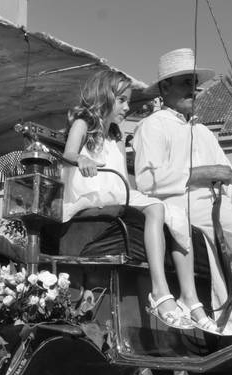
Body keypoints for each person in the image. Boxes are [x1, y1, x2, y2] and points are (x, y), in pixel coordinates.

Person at [61, 69, 217, 333]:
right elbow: (68, 153)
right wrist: (82, 159)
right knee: (156, 208)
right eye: (121, 100)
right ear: (104, 97)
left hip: (115, 190)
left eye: (127, 101)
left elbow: (122, 174)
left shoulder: (116, 134)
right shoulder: (82, 123)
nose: (126, 107)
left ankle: (190, 298)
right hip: (89, 194)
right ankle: (160, 291)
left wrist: (139, 197)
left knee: (174, 212)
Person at [133, 48, 232, 335]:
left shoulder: (205, 133)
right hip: (181, 205)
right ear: (165, 87)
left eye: (194, 84)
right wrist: (200, 175)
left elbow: (227, 176)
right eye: (185, 83)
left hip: (216, 203)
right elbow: (148, 180)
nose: (192, 91)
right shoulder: (152, 126)